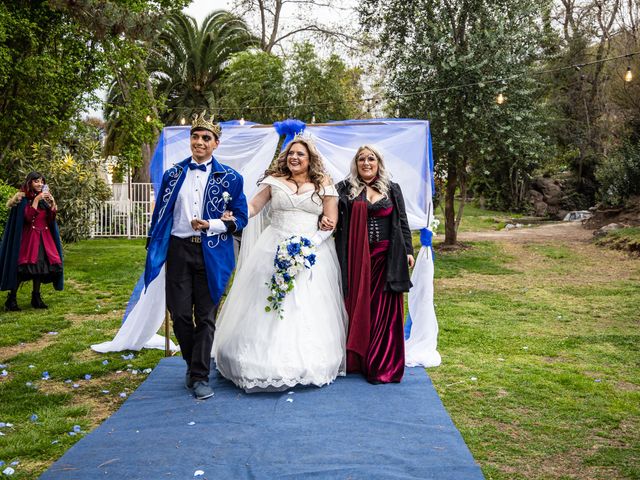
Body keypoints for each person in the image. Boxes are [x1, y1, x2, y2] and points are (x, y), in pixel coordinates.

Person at [213, 135, 347, 392]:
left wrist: (309, 246)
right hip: (272, 245)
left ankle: (307, 361)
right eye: (291, 154)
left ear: (310, 160)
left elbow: (331, 222)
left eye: (300, 154)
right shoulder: (274, 181)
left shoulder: (324, 185)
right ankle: (254, 361)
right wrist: (235, 214)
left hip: (311, 252)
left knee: (305, 304)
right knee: (265, 299)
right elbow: (253, 206)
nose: (294, 158)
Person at [144, 113, 248, 400]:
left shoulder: (231, 178)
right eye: (195, 137)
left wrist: (213, 224)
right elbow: (161, 215)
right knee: (178, 314)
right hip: (178, 249)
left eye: (206, 138)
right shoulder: (173, 174)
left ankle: (200, 376)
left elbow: (241, 218)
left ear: (216, 143)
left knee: (205, 316)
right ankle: (193, 364)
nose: (199, 142)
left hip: (212, 252)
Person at [324, 145, 414, 384]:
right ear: (355, 163)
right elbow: (330, 214)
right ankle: (358, 359)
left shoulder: (392, 189)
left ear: (378, 163)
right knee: (359, 306)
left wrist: (408, 250)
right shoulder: (344, 189)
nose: (366, 163)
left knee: (384, 311)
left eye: (371, 159)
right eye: (361, 159)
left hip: (387, 257)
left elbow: (402, 221)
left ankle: (382, 363)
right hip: (355, 258)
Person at [0, 172, 63, 311]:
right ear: (30, 183)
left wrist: (52, 204)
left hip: (44, 239)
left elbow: (51, 218)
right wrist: (36, 200)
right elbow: (28, 218)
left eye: (41, 181)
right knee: (22, 271)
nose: (39, 184)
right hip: (29, 240)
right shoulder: (22, 200)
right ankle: (11, 300)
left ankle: (36, 297)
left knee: (40, 269)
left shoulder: (43, 199)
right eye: (36, 181)